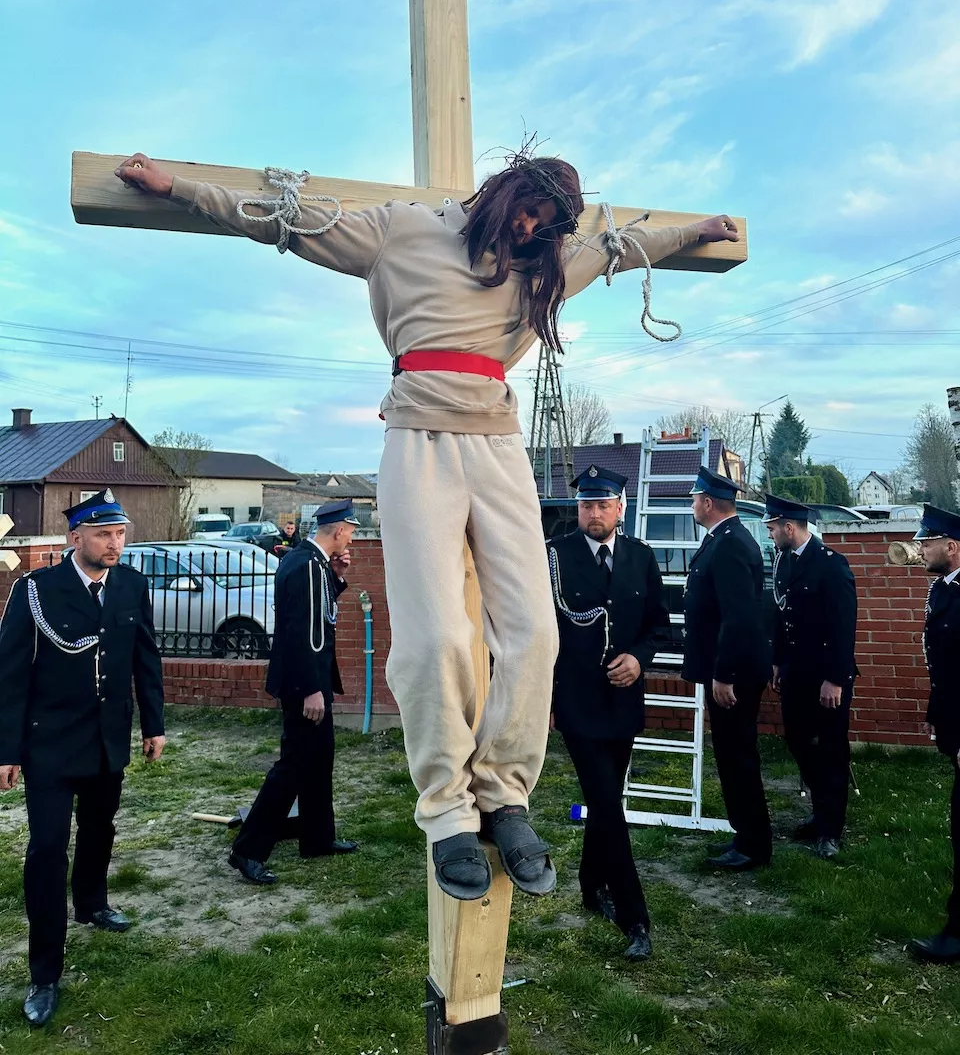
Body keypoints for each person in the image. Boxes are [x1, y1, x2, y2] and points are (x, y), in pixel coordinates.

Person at [115, 147, 738, 901]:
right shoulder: (403, 229)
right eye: (528, 209)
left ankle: (504, 794)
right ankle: (447, 809)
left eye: (547, 223)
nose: (530, 227)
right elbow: (286, 220)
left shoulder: (540, 267)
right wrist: (177, 188)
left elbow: (620, 247)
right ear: (503, 189)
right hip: (419, 440)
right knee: (435, 637)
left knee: (536, 634)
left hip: (499, 442)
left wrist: (693, 232)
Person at [0, 489, 165, 1028]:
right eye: (102, 534)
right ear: (75, 537)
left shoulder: (131, 584)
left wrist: (154, 724)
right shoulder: (37, 590)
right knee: (48, 849)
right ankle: (45, 972)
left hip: (107, 739)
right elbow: (10, 674)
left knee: (100, 827)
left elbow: (145, 657)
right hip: (48, 742)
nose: (115, 544)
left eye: (120, 533)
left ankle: (91, 903)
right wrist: (6, 749)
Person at [548, 465, 670, 962]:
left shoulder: (640, 556)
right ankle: (633, 917)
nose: (593, 514)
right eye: (585, 505)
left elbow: (658, 625)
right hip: (577, 703)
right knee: (607, 804)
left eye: (602, 505)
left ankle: (588, 884)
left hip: (623, 702)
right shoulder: (554, 556)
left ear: (621, 508)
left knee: (605, 800)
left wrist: (639, 658)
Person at [229, 500, 358, 884]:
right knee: (294, 766)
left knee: (319, 760)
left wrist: (336, 577)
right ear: (338, 530)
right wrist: (310, 689)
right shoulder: (305, 565)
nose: (351, 539)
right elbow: (301, 632)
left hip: (312, 679)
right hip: (305, 684)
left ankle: (317, 838)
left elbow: (318, 612)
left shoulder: (313, 562)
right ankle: (247, 850)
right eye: (350, 532)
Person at [682, 466, 771, 871]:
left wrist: (724, 674)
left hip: (733, 674)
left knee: (738, 756)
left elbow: (738, 618)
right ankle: (746, 835)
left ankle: (753, 844)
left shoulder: (732, 543)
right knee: (732, 755)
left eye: (695, 499)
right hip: (726, 668)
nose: (692, 505)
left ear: (708, 502)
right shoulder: (722, 538)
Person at [764, 494, 858, 860]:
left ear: (789, 527)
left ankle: (831, 829)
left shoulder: (831, 564)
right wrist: (777, 662)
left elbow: (843, 626)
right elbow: (780, 615)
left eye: (773, 528)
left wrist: (835, 679)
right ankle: (821, 810)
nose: (770, 534)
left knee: (831, 749)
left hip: (826, 675)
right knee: (798, 741)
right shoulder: (784, 561)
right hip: (796, 673)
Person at [907, 503, 960, 965]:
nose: (920, 549)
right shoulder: (944, 589)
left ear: (952, 547)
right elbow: (945, 665)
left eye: (927, 542)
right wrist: (935, 711)